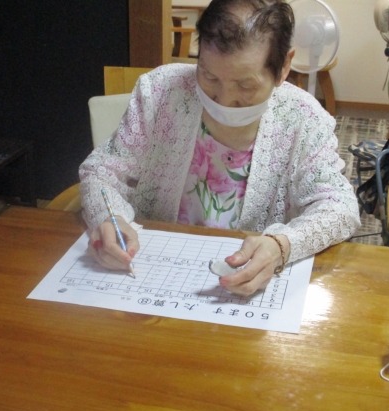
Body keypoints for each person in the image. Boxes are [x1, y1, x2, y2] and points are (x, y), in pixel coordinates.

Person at [79, 0, 360, 296]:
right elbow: (101, 172)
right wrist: (109, 218)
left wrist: (281, 245)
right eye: (209, 77)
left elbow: (339, 208)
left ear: (283, 67)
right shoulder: (160, 91)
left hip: (248, 292)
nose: (223, 100)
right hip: (152, 277)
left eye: (245, 86)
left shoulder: (304, 118)